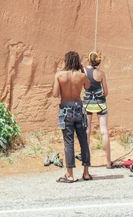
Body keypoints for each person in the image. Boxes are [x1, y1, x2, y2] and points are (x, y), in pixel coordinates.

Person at [52, 51, 92, 183]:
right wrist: (81, 71)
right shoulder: (81, 75)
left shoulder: (59, 75)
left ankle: (69, 174)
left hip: (66, 110)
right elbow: (88, 87)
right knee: (83, 141)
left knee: (69, 142)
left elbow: (55, 94)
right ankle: (86, 173)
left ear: (66, 61)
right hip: (79, 110)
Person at [83, 50, 112, 168]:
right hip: (100, 103)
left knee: (87, 131)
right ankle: (109, 163)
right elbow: (106, 92)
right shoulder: (101, 73)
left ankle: (86, 162)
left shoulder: (84, 71)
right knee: (104, 131)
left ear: (89, 60)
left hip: (88, 103)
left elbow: (83, 85)